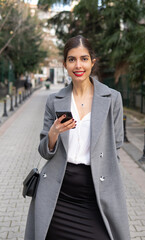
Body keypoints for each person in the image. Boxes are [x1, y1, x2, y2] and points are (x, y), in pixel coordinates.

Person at [24, 35, 130, 240]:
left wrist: (109, 183)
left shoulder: (112, 98)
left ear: (92, 62)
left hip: (96, 193)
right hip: (58, 194)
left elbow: (115, 146)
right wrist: (54, 133)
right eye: (72, 59)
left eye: (83, 58)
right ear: (64, 64)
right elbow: (45, 151)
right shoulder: (54, 100)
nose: (78, 65)